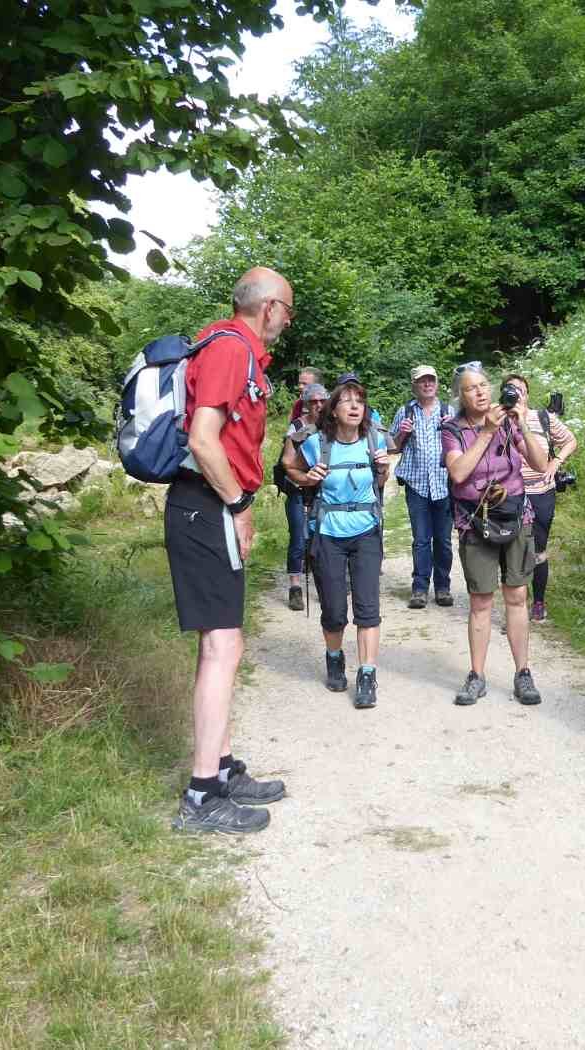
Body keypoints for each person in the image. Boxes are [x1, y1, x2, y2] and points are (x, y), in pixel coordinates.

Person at [166, 266, 295, 835]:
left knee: (224, 642)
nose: (288, 322)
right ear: (269, 308)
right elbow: (202, 439)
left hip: (207, 505)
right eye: (288, 311)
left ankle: (220, 769)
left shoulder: (234, 349)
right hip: (206, 505)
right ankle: (201, 797)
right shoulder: (229, 349)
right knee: (223, 647)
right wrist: (239, 505)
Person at [439, 362, 549, 707]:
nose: (480, 392)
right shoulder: (452, 430)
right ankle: (476, 675)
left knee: (517, 596)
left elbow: (541, 464)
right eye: (471, 388)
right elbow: (458, 473)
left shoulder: (508, 422)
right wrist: (487, 432)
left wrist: (522, 424)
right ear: (460, 396)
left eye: (484, 385)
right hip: (475, 520)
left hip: (515, 516)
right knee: (481, 601)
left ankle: (523, 673)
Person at [281, 378, 389, 708]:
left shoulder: (374, 440)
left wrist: (383, 470)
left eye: (360, 401)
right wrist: (306, 477)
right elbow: (289, 467)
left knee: (368, 609)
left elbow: (380, 481)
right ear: (333, 410)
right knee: (334, 609)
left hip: (366, 531)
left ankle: (367, 675)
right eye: (347, 401)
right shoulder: (317, 443)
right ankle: (334, 657)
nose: (355, 406)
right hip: (328, 533)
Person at [502, 374, 577, 623]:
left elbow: (570, 441)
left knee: (538, 549)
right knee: (511, 550)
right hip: (509, 494)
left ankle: (539, 602)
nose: (516, 393)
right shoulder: (497, 419)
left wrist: (556, 462)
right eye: (510, 389)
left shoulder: (543, 417)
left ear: (527, 394)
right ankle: (517, 607)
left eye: (520, 389)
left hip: (541, 493)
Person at [389, 364, 456, 609]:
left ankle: (443, 587)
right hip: (416, 484)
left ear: (437, 384)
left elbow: (464, 446)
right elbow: (393, 448)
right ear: (414, 386)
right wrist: (402, 434)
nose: (427, 384)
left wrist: (453, 428)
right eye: (422, 381)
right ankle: (419, 589)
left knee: (444, 540)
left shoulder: (450, 411)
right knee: (420, 539)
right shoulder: (405, 411)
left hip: (444, 484)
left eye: (431, 380)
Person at [281, 382, 329, 611]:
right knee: (298, 538)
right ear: (306, 404)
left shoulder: (332, 425)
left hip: (322, 491)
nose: (318, 405)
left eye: (322, 401)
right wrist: (305, 475)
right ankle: (295, 588)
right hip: (298, 489)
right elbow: (286, 461)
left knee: (321, 538)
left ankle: (325, 584)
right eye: (313, 401)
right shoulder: (297, 426)